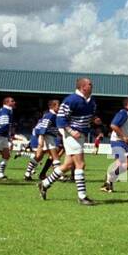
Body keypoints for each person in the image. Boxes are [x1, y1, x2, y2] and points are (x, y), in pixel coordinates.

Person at [39, 77, 97, 205]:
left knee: (68, 165)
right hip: (71, 135)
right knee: (80, 164)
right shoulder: (71, 100)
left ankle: (44, 184)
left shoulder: (91, 101)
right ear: (83, 87)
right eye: (90, 84)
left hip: (80, 135)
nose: (92, 86)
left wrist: (94, 122)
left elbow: (88, 117)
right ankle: (82, 196)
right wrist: (70, 131)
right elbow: (61, 119)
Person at [102, 97, 128, 193]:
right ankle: (110, 177)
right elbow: (113, 125)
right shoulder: (123, 113)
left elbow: (127, 129)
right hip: (117, 141)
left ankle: (108, 183)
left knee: (122, 163)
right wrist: (123, 137)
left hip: (123, 142)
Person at [24, 100, 62, 181]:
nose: (60, 107)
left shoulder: (51, 115)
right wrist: (41, 137)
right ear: (52, 106)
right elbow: (43, 127)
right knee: (55, 156)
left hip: (46, 136)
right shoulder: (50, 115)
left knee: (38, 157)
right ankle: (59, 175)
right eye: (58, 105)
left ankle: (27, 174)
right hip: (47, 136)